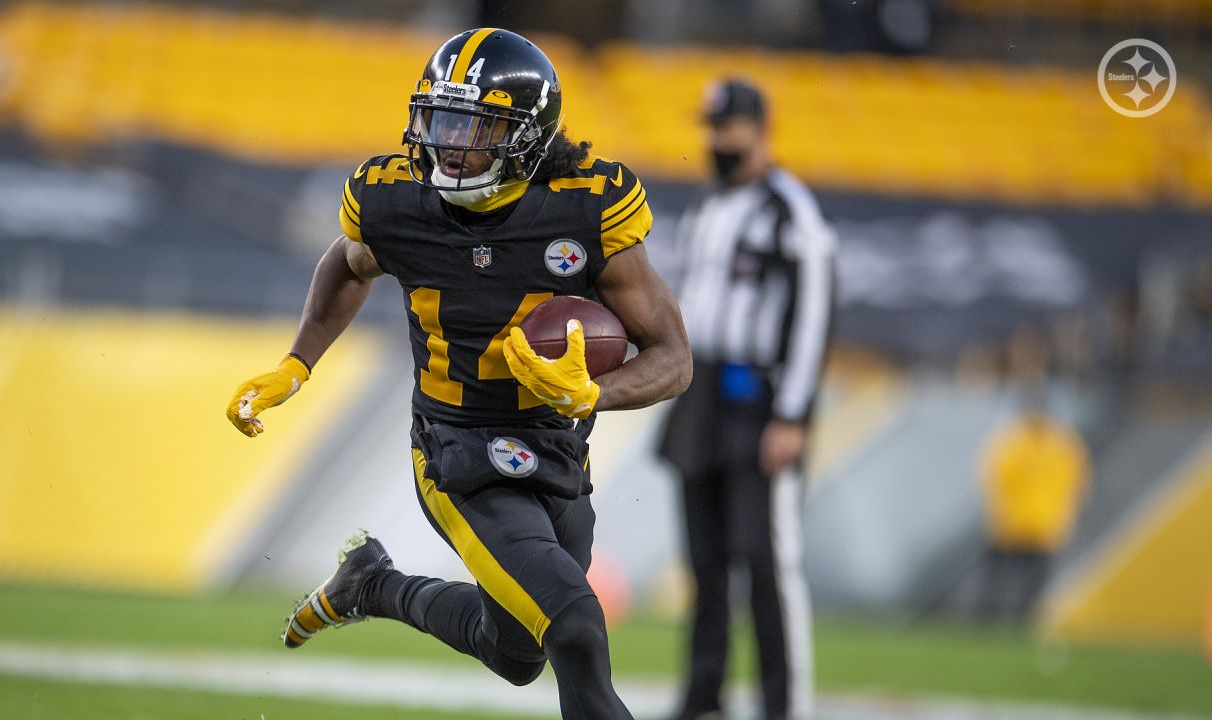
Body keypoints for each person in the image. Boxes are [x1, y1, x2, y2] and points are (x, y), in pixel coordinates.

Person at [225, 28, 690, 720]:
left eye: (474, 125)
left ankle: (372, 586)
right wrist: (298, 363)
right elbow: (346, 266)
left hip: (559, 445)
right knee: (577, 627)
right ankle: (376, 584)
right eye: (440, 119)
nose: (447, 141)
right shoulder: (395, 201)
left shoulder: (585, 207)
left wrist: (594, 392)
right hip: (457, 448)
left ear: (527, 136)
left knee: (513, 654)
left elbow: (673, 359)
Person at [658, 78, 836, 720]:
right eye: (710, 128)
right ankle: (703, 699)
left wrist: (794, 411)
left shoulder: (789, 209)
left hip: (759, 398)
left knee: (766, 564)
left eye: (726, 127)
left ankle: (784, 706)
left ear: (760, 129)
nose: (716, 141)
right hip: (702, 391)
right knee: (704, 564)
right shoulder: (709, 209)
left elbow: (815, 309)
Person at [978, 395, 1090, 622]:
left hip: (1041, 523)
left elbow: (1075, 484)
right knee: (1002, 576)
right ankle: (991, 616)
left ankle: (1021, 619)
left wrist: (1064, 515)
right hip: (1014, 522)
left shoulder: (1057, 445)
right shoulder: (1018, 442)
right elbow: (995, 480)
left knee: (1031, 579)